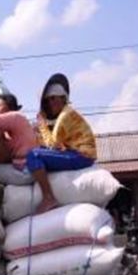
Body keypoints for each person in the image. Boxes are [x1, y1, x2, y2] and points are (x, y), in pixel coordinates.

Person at [27, 73, 97, 214]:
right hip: (77, 153)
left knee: (33, 155)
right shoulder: (66, 114)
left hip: (82, 155)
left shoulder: (65, 116)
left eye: (53, 99)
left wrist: (42, 125)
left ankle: (48, 197)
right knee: (39, 152)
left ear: (63, 98)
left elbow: (52, 144)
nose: (50, 103)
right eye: (47, 101)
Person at [0, 94, 38, 167]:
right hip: (22, 163)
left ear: (9, 106)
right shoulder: (6, 128)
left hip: (24, 164)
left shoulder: (15, 116)